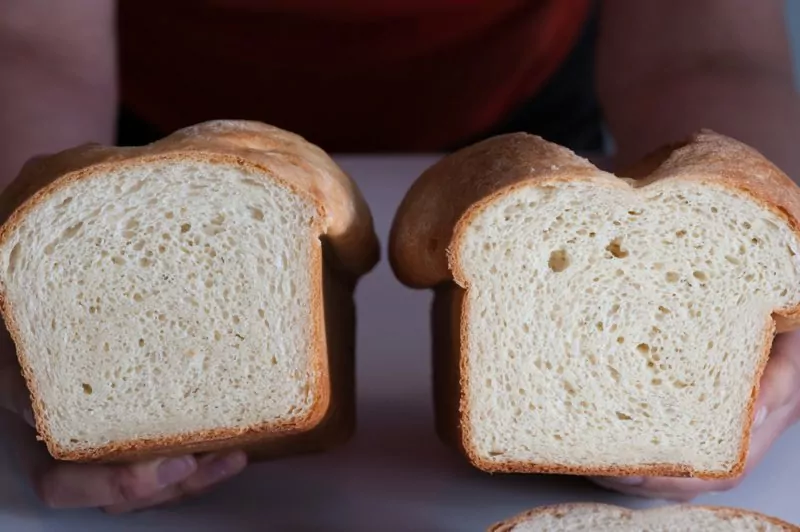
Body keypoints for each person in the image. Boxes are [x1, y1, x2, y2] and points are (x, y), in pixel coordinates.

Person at [1, 0, 799, 514]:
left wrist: (743, 262)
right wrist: (32, 286)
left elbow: (705, 51)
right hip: (143, 133)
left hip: (526, 127)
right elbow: (29, 38)